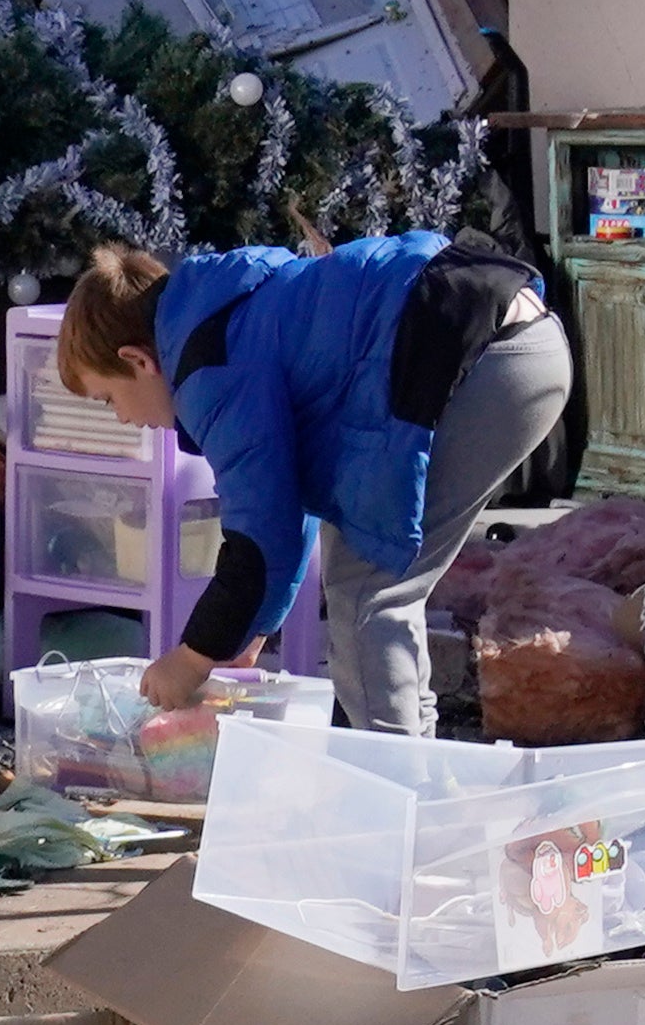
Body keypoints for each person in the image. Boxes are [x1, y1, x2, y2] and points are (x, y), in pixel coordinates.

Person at [51, 225, 572, 737]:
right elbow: (286, 500)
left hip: (483, 359)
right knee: (370, 579)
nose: (122, 418)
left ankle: (397, 791)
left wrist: (193, 656)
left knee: (367, 592)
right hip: (518, 337)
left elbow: (259, 531)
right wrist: (252, 625)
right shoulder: (220, 312)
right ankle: (419, 772)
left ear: (138, 361)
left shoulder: (209, 372)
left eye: (108, 399)